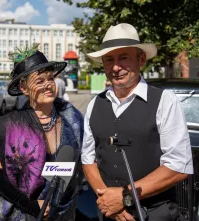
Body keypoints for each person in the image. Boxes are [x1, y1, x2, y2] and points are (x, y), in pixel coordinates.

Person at [81, 23, 193, 221]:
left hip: (156, 215)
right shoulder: (94, 104)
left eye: (124, 57)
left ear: (141, 59)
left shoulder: (164, 101)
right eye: (109, 59)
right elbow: (88, 160)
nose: (116, 67)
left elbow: (179, 166)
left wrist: (123, 196)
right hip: (109, 215)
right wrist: (109, 201)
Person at [0, 45, 84, 221]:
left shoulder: (73, 119)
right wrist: (30, 205)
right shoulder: (10, 126)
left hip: (63, 212)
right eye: (39, 81)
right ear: (24, 88)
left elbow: (82, 163)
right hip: (20, 214)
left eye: (50, 79)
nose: (48, 85)